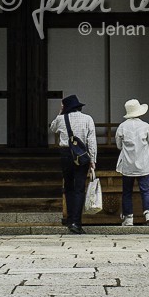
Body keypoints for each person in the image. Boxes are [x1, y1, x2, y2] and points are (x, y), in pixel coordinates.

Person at [51, 94, 96, 234]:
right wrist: (93, 160)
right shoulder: (88, 119)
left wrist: (60, 112)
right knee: (79, 188)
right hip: (81, 155)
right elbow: (92, 141)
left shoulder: (61, 119)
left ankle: (70, 220)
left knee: (68, 187)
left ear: (66, 107)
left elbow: (52, 128)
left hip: (65, 154)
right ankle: (77, 222)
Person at [114, 98, 149, 226]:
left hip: (127, 164)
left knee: (127, 191)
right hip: (144, 163)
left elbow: (118, 145)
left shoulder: (122, 126)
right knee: (146, 190)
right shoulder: (145, 126)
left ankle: (128, 219)